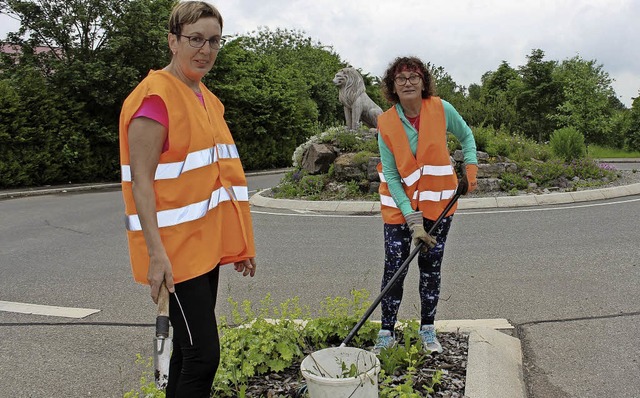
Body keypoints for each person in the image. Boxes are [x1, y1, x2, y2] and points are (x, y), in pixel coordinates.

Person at [118, 2, 256, 396]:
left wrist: (240, 243)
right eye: (195, 39)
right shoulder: (155, 99)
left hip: (203, 248)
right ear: (172, 41)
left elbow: (219, 181)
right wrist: (157, 255)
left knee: (186, 352)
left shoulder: (206, 98)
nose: (205, 50)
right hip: (174, 253)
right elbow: (140, 184)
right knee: (202, 355)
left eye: (214, 40)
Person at [373, 56, 477, 354]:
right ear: (393, 86)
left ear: (423, 82)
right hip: (399, 208)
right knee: (395, 269)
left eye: (413, 77)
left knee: (430, 268)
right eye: (401, 78)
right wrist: (412, 220)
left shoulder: (441, 108)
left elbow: (467, 136)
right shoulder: (386, 122)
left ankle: (428, 329)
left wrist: (470, 170)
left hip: (439, 205)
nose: (407, 83)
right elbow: (391, 175)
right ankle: (386, 331)